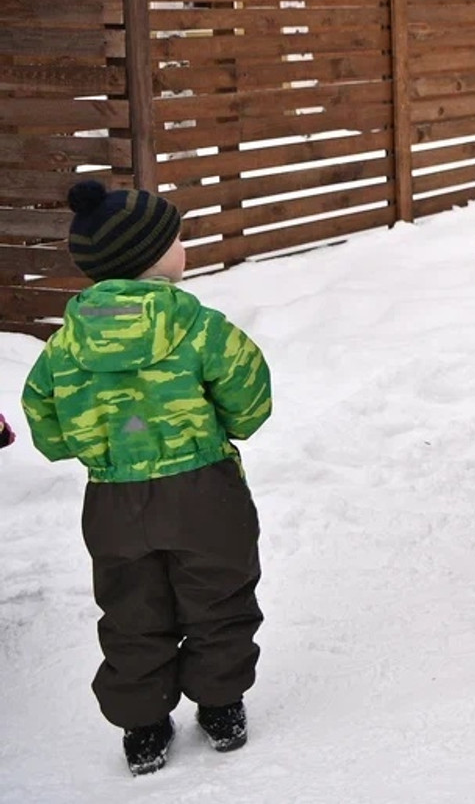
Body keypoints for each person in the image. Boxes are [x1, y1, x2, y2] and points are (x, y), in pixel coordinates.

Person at [20, 182, 273, 777]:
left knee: (131, 606)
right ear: (152, 258)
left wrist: (96, 446)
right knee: (220, 594)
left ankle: (143, 726)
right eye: (177, 239)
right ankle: (220, 704)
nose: (184, 247)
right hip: (203, 489)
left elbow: (46, 424)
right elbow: (250, 397)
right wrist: (222, 429)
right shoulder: (200, 328)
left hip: (112, 499)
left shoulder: (65, 345)